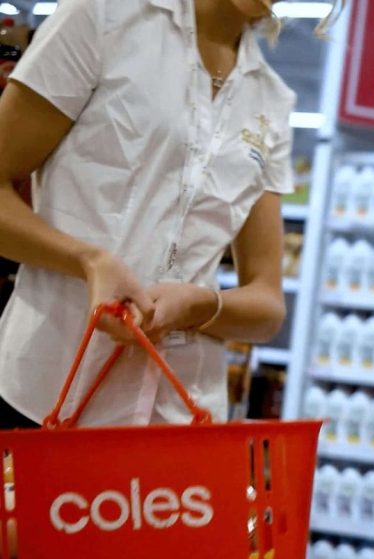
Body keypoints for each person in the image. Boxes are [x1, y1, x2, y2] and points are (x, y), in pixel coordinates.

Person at [0, 0, 339, 428]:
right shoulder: (102, 18)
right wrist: (89, 261)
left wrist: (202, 305)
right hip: (41, 396)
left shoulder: (270, 100)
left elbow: (267, 303)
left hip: (176, 425)